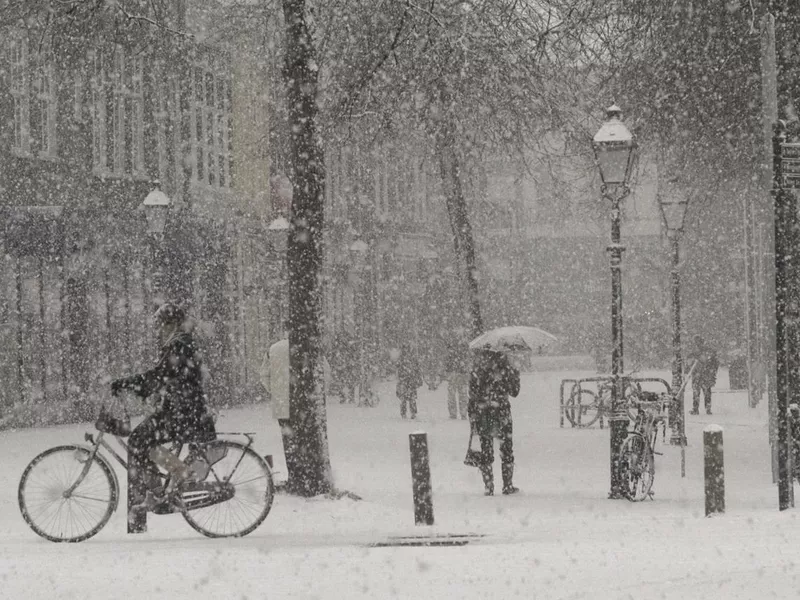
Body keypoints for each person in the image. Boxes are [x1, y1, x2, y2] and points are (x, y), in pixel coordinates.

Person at [111, 302, 215, 515]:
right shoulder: (182, 342)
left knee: (139, 439)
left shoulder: (178, 344)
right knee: (141, 439)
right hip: (185, 410)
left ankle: (172, 481)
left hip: (183, 412)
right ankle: (158, 492)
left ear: (173, 323)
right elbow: (166, 377)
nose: (159, 329)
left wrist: (125, 383)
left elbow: (158, 375)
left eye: (162, 324)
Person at [468, 348, 521, 496]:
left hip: (483, 412)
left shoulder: (478, 370)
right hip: (502, 412)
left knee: (486, 449)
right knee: (506, 448)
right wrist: (514, 374)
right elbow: (514, 391)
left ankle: (488, 486)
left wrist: (473, 412)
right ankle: (507, 485)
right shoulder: (506, 369)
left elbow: (472, 393)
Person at [688, 335, 719, 415]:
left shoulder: (695, 353)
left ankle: (696, 409)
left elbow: (690, 364)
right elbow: (715, 362)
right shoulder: (708, 351)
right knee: (706, 392)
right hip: (705, 375)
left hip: (700, 375)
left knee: (697, 393)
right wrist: (713, 372)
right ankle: (707, 409)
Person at [396, 341, 423, 419]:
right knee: (411, 398)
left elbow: (398, 368)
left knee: (405, 398)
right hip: (410, 379)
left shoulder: (402, 357)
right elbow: (417, 368)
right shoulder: (412, 357)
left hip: (406, 379)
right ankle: (411, 413)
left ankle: (405, 413)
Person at [445, 339, 470, 420]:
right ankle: (462, 413)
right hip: (460, 374)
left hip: (454, 374)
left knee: (453, 395)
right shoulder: (463, 350)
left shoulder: (451, 352)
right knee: (462, 395)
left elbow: (447, 364)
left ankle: (454, 414)